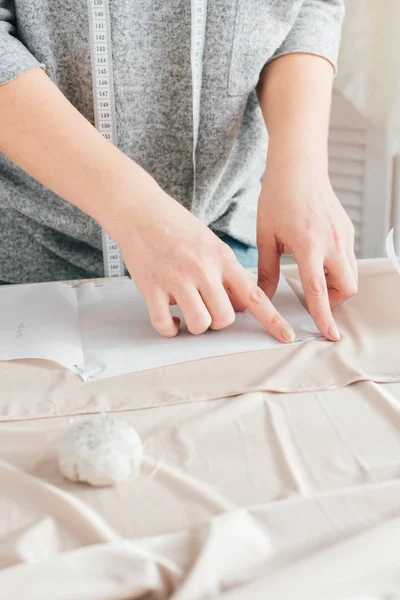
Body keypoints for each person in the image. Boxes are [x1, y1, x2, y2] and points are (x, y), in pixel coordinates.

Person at [0, 0, 357, 343]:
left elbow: (308, 5)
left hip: (226, 243)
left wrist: (301, 163)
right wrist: (135, 211)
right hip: (31, 256)